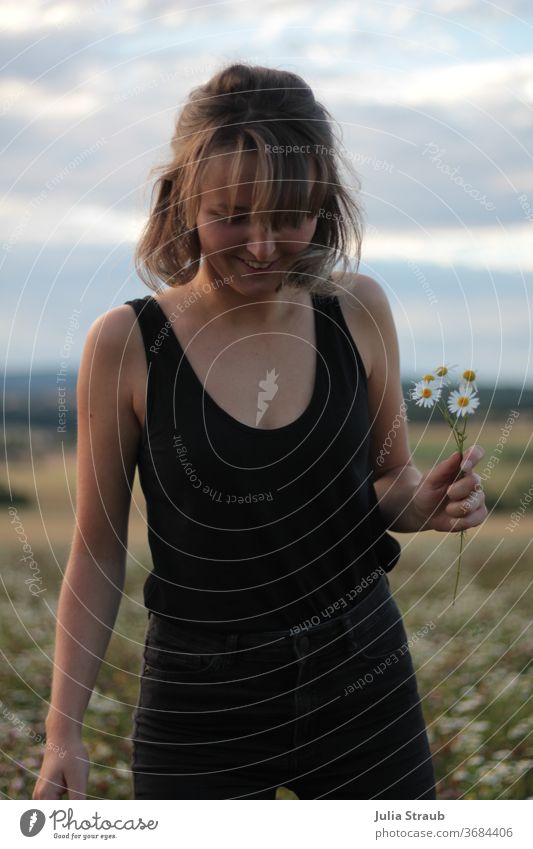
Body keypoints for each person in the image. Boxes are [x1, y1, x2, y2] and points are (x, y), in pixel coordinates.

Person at [32, 63, 487, 801]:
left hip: (360, 672)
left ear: (322, 206)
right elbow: (97, 547)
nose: (262, 243)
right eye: (233, 213)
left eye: (288, 215)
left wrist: (427, 503)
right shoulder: (125, 342)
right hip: (198, 699)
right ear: (183, 202)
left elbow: (387, 482)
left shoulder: (359, 310)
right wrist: (63, 732)